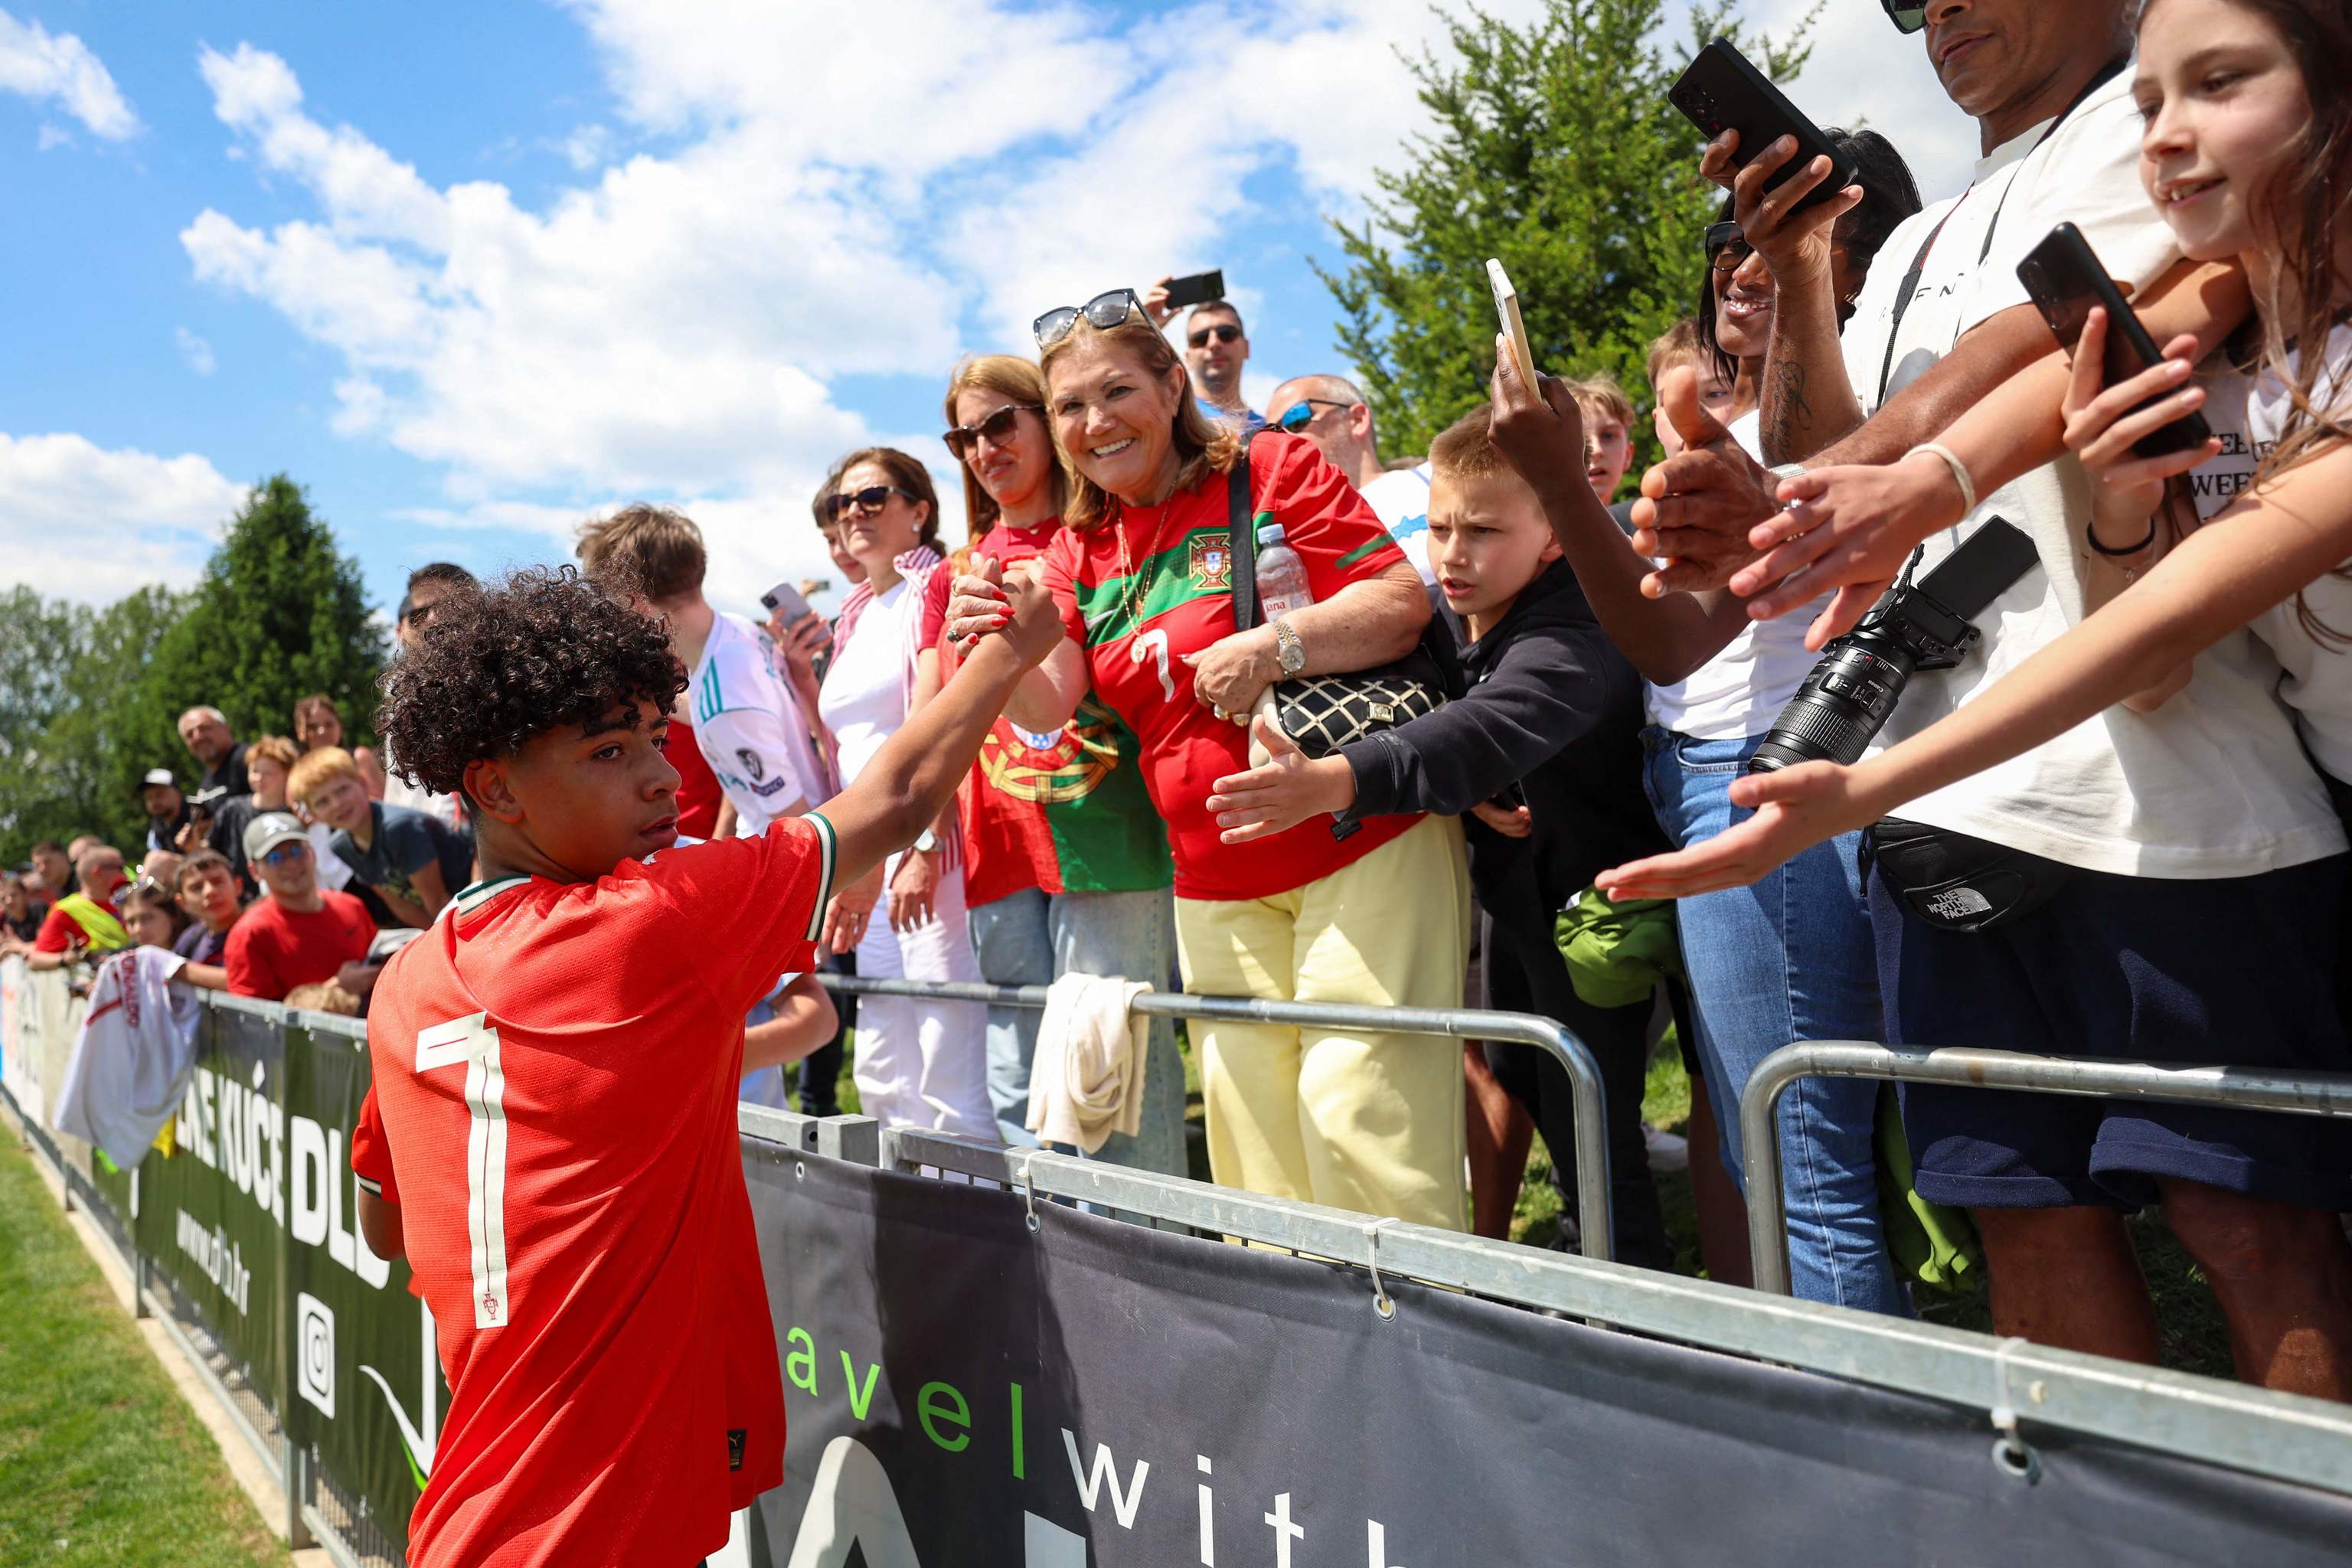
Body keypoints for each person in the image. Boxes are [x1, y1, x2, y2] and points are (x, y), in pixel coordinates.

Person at [1628, 0, 2352, 1387]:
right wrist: (1788, 356)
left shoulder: (2148, 158)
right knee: (2018, 1210)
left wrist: (1899, 481)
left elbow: (2048, 353)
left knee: (2246, 1214)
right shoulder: (1905, 231)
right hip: (1938, 768)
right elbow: (1831, 453)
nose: (1938, 10)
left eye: (2207, 86)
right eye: (1904, 0)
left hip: (2170, 776)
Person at [345, 560, 1063, 1566]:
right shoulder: (647, 927)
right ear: (493, 788)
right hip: (597, 1530)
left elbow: (384, 1225)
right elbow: (896, 797)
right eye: (607, 751)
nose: (658, 777)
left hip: (479, 1504)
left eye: (655, 738)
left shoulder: (407, 982)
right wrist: (1012, 648)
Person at [1485, 125, 1922, 1312]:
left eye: (1784, 238)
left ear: (1866, 256)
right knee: (1765, 1140)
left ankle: (1857, 1455)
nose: (1743, 261)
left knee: (1800, 1154)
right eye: (1732, 236)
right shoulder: (1724, 421)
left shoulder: (1864, 414)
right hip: (1707, 763)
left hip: (1772, 762)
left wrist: (1559, 478)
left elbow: (1670, 636)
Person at [948, 288, 1470, 1230]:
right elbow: (1050, 701)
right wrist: (1009, 641)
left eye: (1116, 392)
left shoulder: (1267, 465)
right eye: (1069, 407)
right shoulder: (1080, 544)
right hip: (1214, 883)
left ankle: (1432, 1362)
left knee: (1364, 1123)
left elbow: (1398, 602)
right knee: (1257, 1162)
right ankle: (1301, 1366)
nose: (1095, 422)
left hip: (1353, 844)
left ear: (1173, 383)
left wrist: (1276, 646)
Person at [1206, 405, 1676, 1266]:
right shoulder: (1455, 610)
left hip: (1600, 911)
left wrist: (1333, 782)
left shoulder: (1581, 621)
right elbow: (1442, 700)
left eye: (1485, 531)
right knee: (1525, 1069)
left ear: (1555, 536)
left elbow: (1493, 722)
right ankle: (1585, 1263)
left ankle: (1631, 1314)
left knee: (1596, 1121)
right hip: (1517, 903)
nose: (1454, 553)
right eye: (1441, 527)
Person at [923, 354, 1184, 1171]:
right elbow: (933, 722)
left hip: (1111, 829)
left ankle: (1154, 1275)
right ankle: (1050, 1276)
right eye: (964, 435)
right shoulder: (954, 572)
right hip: (997, 843)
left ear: (1047, 419)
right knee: (1015, 1075)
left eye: (1001, 422)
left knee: (1117, 1066)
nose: (983, 447)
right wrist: (922, 843)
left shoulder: (1107, 530)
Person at [815, 449, 995, 1138]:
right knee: (884, 1065)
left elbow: (941, 725)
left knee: (946, 1060)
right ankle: (911, 1224)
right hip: (870, 859)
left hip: (933, 849)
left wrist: (920, 844)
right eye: (842, 502)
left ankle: (976, 1230)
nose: (852, 512)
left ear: (920, 511)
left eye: (873, 497)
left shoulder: (936, 590)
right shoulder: (855, 613)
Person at [575, 505, 831, 845]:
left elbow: (801, 830)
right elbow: (709, 703)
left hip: (794, 864)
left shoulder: (725, 708)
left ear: (634, 602)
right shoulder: (740, 633)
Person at [1266, 374, 1438, 586]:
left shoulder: (1438, 477)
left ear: (1357, 420)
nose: (1284, 442)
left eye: (1295, 419)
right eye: (1273, 435)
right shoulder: (1297, 540)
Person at [289, 746, 472, 927]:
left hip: (469, 899)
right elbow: (397, 902)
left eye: (342, 790)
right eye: (322, 802)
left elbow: (438, 900)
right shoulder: (341, 846)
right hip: (440, 917)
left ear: (362, 783)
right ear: (313, 813)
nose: (337, 804)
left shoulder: (399, 828)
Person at [223, 813, 380, 1002]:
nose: (291, 864)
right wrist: (337, 988)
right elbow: (255, 1021)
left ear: (312, 854)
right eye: (275, 858)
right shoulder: (250, 934)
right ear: (255, 871)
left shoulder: (351, 906)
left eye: (297, 851)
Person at [383, 564, 479, 838]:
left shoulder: (502, 682)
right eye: (419, 614)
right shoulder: (395, 693)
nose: (434, 619)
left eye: (450, 608)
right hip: (413, 846)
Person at [12, 846, 130, 969]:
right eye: (120, 868)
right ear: (98, 872)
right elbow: (35, 960)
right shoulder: (65, 911)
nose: (125, 873)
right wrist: (66, 959)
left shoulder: (129, 900)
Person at [293, 694, 385, 799]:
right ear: (300, 732)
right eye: (312, 727)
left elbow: (383, 803)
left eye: (329, 724)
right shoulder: (296, 773)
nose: (322, 732)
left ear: (340, 727)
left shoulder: (358, 758)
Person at [172, 849, 244, 970]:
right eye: (197, 888)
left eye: (218, 882)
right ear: (182, 902)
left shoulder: (257, 932)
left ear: (238, 886)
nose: (210, 892)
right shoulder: (190, 940)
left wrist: (178, 970)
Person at [177, 706, 250, 799]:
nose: (197, 737)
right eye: (189, 734)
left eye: (204, 728)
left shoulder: (250, 759)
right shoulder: (206, 783)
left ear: (226, 728)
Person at [138, 769, 193, 856]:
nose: (154, 802)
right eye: (149, 798)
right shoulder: (156, 828)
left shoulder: (197, 817)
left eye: (159, 794)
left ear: (177, 794)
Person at [2, 871, 40, 945]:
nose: (8, 901)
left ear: (25, 894)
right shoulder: (10, 920)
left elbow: (43, 946)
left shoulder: (37, 910)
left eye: (13, 895)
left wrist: (19, 947)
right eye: (3, 898)